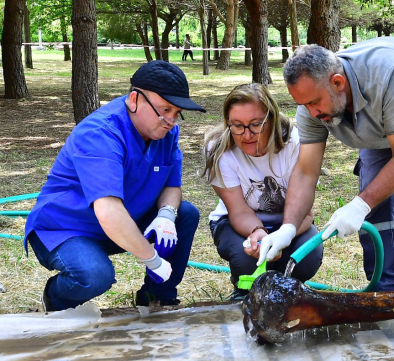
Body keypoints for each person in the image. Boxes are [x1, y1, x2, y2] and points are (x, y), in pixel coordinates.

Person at [258, 37, 394, 291]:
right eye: (304, 105)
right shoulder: (312, 106)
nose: (311, 113)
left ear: (337, 82)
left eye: (315, 102)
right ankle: (382, 286)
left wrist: (359, 205)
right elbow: (306, 171)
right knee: (373, 204)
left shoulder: (388, 77)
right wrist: (288, 227)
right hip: (383, 117)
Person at [24, 60, 206, 311]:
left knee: (184, 214)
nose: (171, 121)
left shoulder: (165, 132)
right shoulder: (100, 133)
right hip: (67, 228)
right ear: (134, 100)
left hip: (120, 223)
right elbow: (109, 211)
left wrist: (165, 215)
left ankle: (157, 299)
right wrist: (153, 260)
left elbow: (172, 186)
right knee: (95, 276)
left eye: (176, 113)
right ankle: (55, 300)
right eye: (165, 109)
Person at [202, 83, 323, 300]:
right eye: (237, 125)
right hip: (238, 223)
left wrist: (282, 236)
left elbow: (306, 214)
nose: (246, 135)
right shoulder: (218, 149)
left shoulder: (296, 143)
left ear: (272, 119)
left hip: (290, 222)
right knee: (247, 260)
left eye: (256, 124)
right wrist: (258, 233)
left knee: (306, 256)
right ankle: (245, 293)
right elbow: (238, 211)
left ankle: (287, 292)